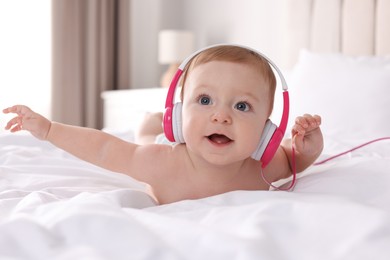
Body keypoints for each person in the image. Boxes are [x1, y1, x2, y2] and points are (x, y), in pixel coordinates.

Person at [3, 45, 323, 205]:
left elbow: (297, 160)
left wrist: (309, 145)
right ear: (179, 114)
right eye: (205, 100)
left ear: (267, 131)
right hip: (156, 152)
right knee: (146, 141)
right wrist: (49, 130)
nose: (221, 117)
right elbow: (104, 148)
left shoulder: (263, 164)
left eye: (242, 106)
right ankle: (149, 125)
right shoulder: (162, 162)